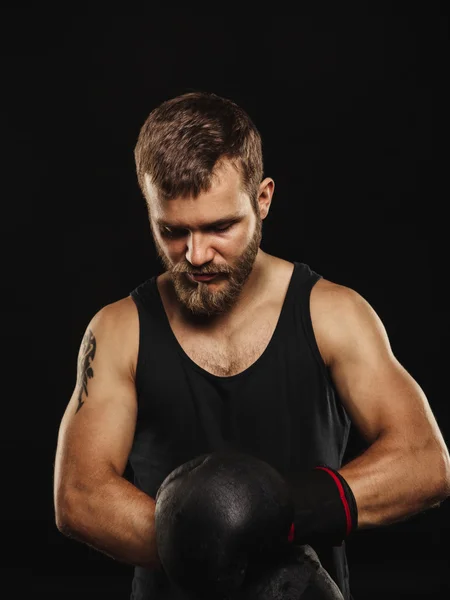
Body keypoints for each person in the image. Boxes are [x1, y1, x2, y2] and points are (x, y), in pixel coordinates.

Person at [53, 91, 450, 600]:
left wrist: (280, 517)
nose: (196, 255)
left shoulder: (333, 314)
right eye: (173, 231)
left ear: (262, 199)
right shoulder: (117, 330)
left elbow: (423, 460)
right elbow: (79, 494)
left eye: (220, 226)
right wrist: (206, 548)